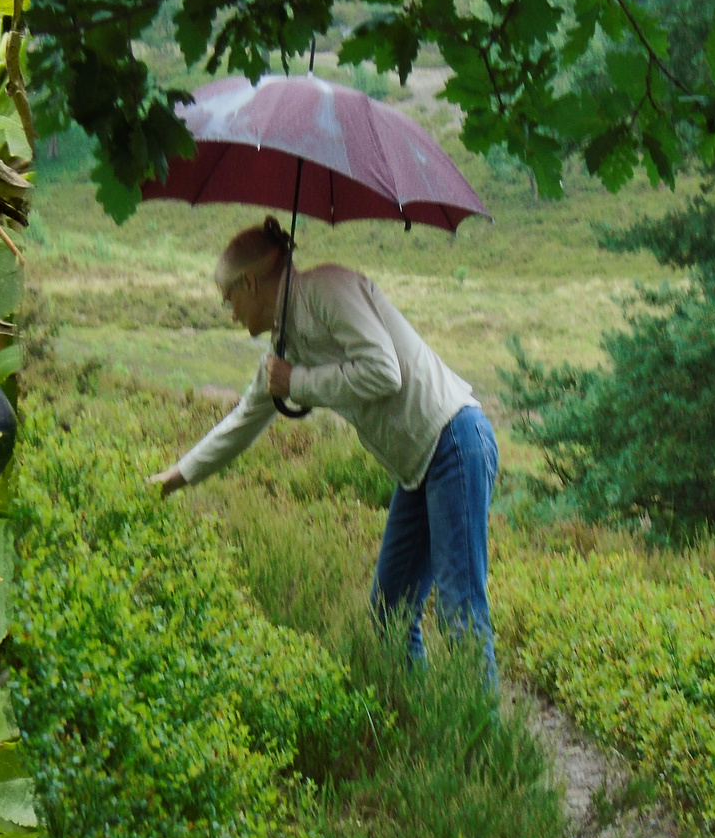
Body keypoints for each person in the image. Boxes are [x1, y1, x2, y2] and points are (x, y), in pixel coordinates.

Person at [147, 217, 500, 694]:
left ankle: (480, 747)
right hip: (419, 464)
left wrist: (299, 382)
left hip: (453, 439)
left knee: (461, 614)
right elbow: (243, 420)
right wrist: (177, 476)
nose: (229, 312)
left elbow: (384, 372)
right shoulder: (284, 341)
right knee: (389, 611)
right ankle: (426, 723)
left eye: (228, 298)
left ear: (250, 283)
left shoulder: (328, 289)